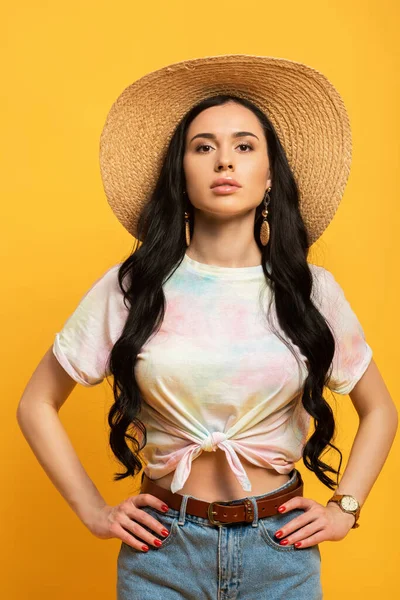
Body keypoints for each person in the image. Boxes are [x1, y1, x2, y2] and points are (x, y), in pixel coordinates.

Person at [17, 54, 398, 599]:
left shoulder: (311, 289)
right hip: (162, 551)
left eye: (244, 146)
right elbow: (35, 403)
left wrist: (346, 508)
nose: (225, 161)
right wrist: (93, 511)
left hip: (281, 552)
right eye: (204, 147)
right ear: (182, 172)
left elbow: (380, 409)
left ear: (269, 177)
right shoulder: (134, 286)